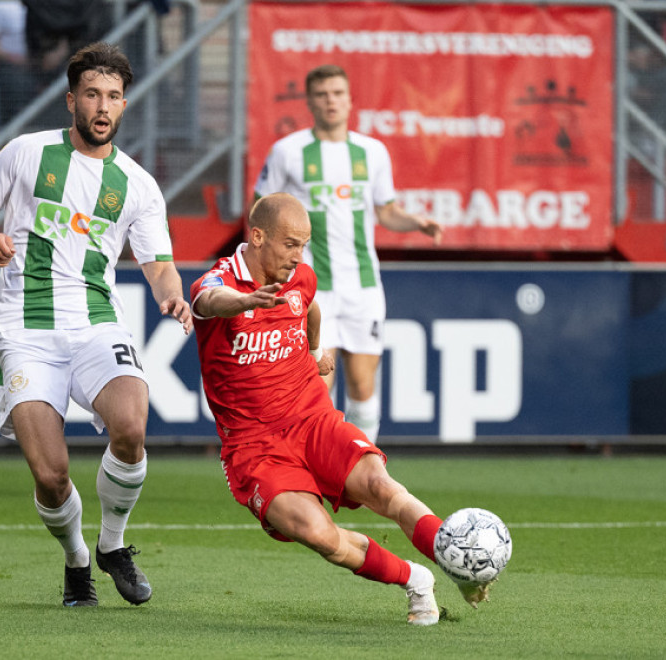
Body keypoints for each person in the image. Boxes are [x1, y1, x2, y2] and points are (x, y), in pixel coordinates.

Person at [0, 42, 193, 608]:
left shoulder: (137, 183)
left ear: (124, 105)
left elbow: (158, 262)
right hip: (24, 328)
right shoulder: (26, 153)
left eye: (112, 96)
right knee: (51, 474)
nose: (102, 106)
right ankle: (77, 559)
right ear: (71, 101)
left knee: (131, 425)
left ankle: (112, 545)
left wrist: (172, 297)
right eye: (91, 94)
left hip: (96, 322)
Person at [188, 192, 488, 625]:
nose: (298, 256)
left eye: (303, 245)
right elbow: (206, 302)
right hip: (254, 446)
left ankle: (455, 559)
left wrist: (314, 349)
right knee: (319, 535)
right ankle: (415, 578)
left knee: (382, 487)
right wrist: (246, 302)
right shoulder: (218, 282)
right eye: (290, 244)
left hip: (312, 418)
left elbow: (309, 306)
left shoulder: (300, 277)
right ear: (256, 236)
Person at [252, 64, 443, 444]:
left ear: (350, 99)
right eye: (322, 94)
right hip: (312, 287)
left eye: (337, 93)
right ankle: (317, 465)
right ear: (309, 101)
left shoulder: (372, 152)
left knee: (362, 384)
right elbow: (260, 211)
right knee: (319, 384)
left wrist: (416, 223)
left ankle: (360, 470)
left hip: (363, 286)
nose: (331, 101)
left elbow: (386, 211)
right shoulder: (288, 152)